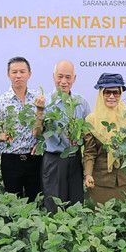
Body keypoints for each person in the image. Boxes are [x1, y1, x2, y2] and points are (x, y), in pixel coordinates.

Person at [34, 60, 90, 211]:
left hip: (75, 160)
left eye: (68, 77)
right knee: (54, 207)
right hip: (54, 161)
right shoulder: (45, 102)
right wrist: (39, 112)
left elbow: (87, 133)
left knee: (76, 206)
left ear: (74, 78)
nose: (63, 81)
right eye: (60, 77)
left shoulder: (81, 102)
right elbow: (36, 134)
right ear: (53, 77)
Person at [0, 56, 42, 202]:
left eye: (22, 71)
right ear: (8, 75)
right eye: (14, 72)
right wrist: (0, 136)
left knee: (36, 200)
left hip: (35, 159)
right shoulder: (0, 102)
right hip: (11, 160)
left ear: (29, 74)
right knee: (13, 202)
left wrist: (41, 143)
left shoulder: (38, 99)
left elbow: (47, 126)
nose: (18, 75)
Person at [83, 73, 126, 204]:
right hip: (100, 181)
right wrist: (88, 174)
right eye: (107, 92)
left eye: (116, 93)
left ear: (120, 94)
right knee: (100, 218)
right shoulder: (91, 121)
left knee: (125, 217)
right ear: (101, 94)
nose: (111, 96)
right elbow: (89, 152)